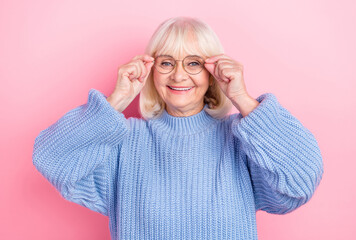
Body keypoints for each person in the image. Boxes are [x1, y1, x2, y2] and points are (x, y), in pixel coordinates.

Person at [32, 16, 324, 239]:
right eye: (167, 62)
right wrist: (116, 100)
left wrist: (242, 99)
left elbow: (301, 182)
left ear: (213, 73)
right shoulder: (124, 141)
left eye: (194, 63)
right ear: (151, 71)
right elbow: (51, 159)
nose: (179, 75)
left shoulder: (241, 140)